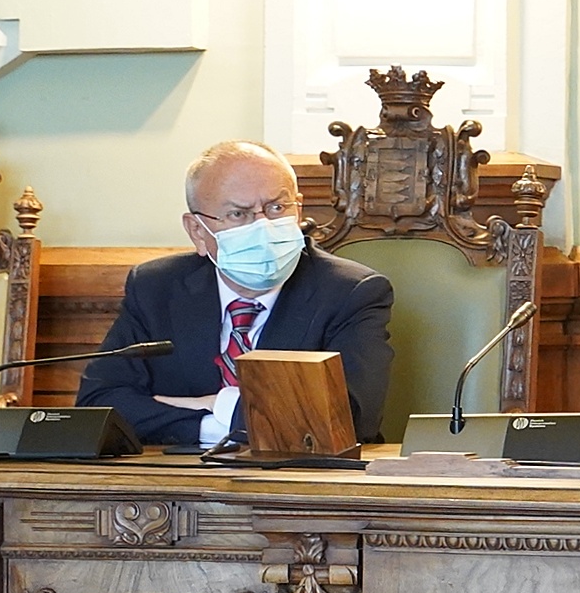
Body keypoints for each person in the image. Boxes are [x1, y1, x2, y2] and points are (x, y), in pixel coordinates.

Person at [78, 140, 395, 448]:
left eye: (276, 208)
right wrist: (212, 427)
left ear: (298, 209)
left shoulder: (351, 293)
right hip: (175, 475)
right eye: (238, 214)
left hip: (298, 479)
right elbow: (100, 406)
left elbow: (349, 418)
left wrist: (220, 404)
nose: (263, 226)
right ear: (198, 231)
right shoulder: (156, 288)